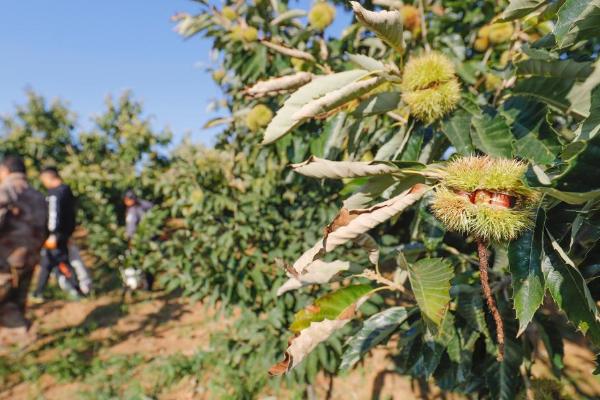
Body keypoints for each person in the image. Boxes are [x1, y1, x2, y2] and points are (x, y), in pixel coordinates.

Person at [0, 155, 47, 345]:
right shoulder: (38, 195)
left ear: (5, 170)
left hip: (6, 258)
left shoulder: (7, 190)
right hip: (30, 258)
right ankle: (19, 341)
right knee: (14, 303)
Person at [31, 166, 83, 301]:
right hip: (63, 234)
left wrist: (53, 235)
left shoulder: (55, 193)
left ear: (48, 178)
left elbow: (54, 214)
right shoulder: (66, 191)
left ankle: (77, 291)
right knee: (47, 263)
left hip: (56, 236)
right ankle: (38, 292)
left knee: (62, 262)